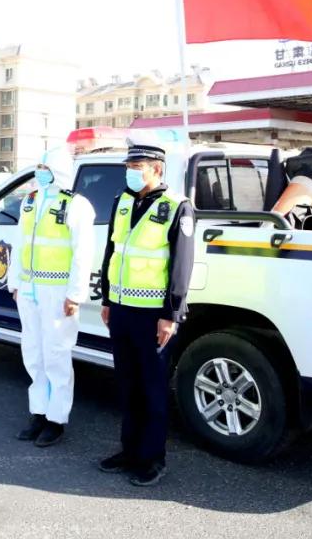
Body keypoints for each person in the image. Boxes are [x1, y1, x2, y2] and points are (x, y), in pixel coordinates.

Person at [97, 141, 194, 486]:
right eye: (129, 166)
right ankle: (129, 450)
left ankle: (152, 458)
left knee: (152, 388)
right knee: (127, 385)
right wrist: (107, 299)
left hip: (153, 314)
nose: (131, 172)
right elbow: (112, 251)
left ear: (157, 169)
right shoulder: (122, 201)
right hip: (121, 309)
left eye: (137, 166)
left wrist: (172, 314)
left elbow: (182, 265)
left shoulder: (176, 206)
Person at [6, 146, 95, 447]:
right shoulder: (31, 201)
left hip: (57, 291)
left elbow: (83, 253)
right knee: (33, 351)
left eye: (45, 166)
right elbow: (19, 243)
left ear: (57, 170)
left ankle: (56, 419)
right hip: (29, 289)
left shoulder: (76, 204)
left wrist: (75, 294)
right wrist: (15, 281)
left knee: (56, 354)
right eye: (38, 165)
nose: (39, 171)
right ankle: (38, 413)